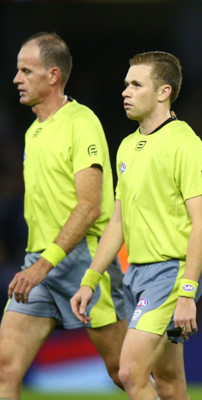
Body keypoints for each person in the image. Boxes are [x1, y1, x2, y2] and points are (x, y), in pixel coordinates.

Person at [71, 51, 202, 400]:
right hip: (136, 274)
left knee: (131, 372)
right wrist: (90, 279)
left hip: (172, 275)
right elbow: (118, 221)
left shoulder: (185, 144)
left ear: (163, 92)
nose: (125, 91)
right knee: (168, 382)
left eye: (136, 84)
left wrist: (187, 294)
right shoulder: (127, 147)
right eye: (125, 85)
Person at [0, 32, 127, 398]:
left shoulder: (81, 122)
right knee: (7, 368)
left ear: (52, 75)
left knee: (123, 372)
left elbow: (89, 206)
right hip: (38, 265)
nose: (16, 79)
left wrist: (45, 264)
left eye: (26, 71)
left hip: (83, 261)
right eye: (17, 70)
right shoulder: (33, 132)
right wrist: (38, 264)